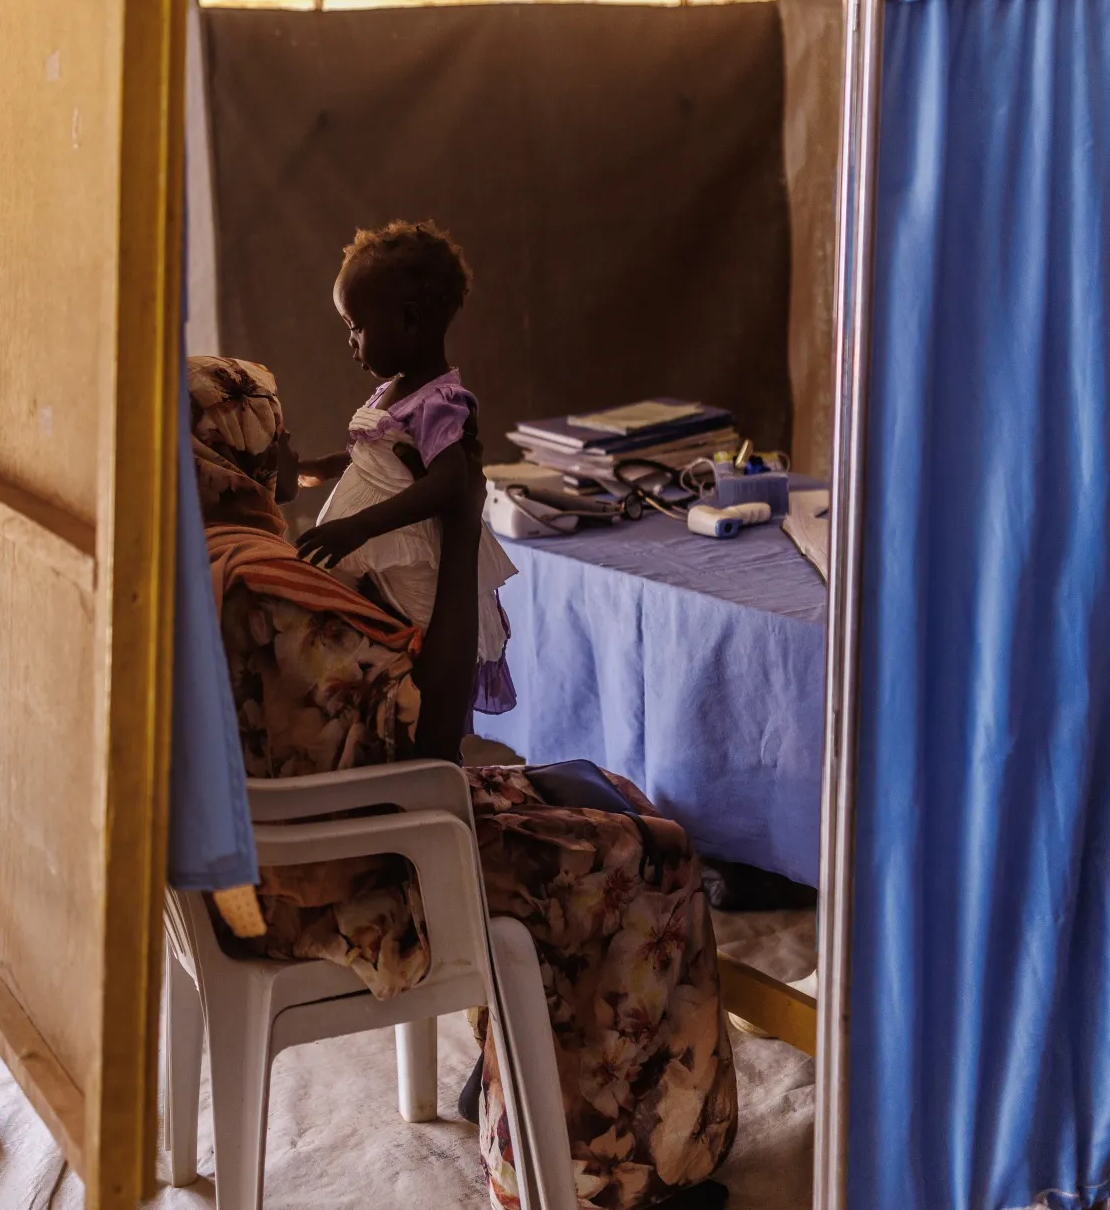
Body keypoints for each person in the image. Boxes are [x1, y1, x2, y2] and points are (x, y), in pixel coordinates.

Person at [188, 355, 737, 1210]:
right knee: (648, 849)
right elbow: (436, 740)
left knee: (605, 796)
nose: (294, 443)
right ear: (234, 450)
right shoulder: (268, 589)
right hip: (347, 880)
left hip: (253, 866)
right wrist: (457, 513)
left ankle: (524, 1086)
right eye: (275, 429)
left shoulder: (191, 562)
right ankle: (607, 1171)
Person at [290, 221, 519, 725]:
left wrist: (360, 526)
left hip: (418, 565)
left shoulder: (440, 402)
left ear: (409, 321)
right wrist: (323, 469)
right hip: (387, 560)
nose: (350, 341)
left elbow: (449, 483)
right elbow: (380, 457)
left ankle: (423, 741)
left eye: (356, 326)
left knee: (413, 649)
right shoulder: (398, 390)